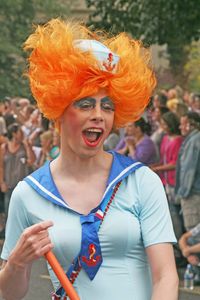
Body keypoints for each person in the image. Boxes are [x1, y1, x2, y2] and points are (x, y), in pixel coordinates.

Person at [0, 19, 178, 300]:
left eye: (107, 106)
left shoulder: (142, 181)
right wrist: (17, 263)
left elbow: (166, 276)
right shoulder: (28, 193)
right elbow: (8, 294)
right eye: (85, 104)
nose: (99, 114)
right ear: (58, 109)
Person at [175, 112, 200, 231]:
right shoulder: (193, 139)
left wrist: (183, 193)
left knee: (192, 234)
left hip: (192, 195)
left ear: (192, 125)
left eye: (183, 124)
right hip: (194, 192)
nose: (180, 127)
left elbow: (188, 170)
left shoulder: (194, 141)